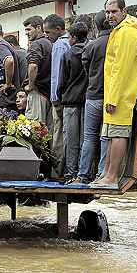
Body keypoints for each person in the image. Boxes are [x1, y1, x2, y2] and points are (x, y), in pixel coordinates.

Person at [94, 0, 137, 187]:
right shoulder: (120, 30)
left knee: (118, 133)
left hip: (121, 94)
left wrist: (113, 97)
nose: (110, 15)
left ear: (124, 10)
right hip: (115, 91)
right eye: (108, 12)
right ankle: (106, 174)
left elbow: (121, 68)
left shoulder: (127, 32)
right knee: (111, 134)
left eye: (114, 11)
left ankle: (112, 177)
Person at [77, 11, 111, 183]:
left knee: (89, 137)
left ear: (95, 26)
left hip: (92, 95)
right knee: (105, 137)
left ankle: (83, 175)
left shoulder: (91, 46)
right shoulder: (116, 42)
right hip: (111, 98)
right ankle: (101, 174)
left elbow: (86, 68)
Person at [57, 22, 89, 184]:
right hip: (87, 101)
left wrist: (58, 97)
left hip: (70, 102)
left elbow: (62, 81)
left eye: (69, 36)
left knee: (71, 140)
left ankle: (70, 173)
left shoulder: (68, 55)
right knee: (86, 139)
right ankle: (84, 173)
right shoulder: (90, 51)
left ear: (74, 37)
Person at [43, 14, 71, 178]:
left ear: (59, 29)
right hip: (68, 97)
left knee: (58, 135)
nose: (46, 35)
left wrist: (55, 99)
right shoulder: (69, 43)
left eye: (48, 32)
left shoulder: (59, 45)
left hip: (59, 98)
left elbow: (56, 76)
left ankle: (57, 172)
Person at [23, 16, 52, 123]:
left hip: (38, 92)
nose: (26, 33)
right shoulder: (49, 43)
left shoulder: (36, 44)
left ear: (39, 27)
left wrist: (30, 85)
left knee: (34, 130)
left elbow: (33, 65)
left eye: (29, 29)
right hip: (48, 93)